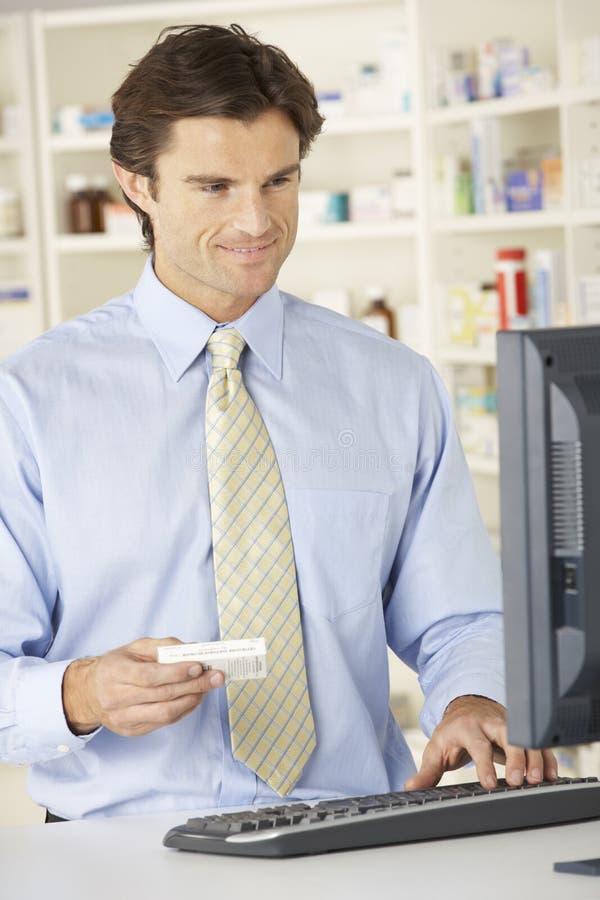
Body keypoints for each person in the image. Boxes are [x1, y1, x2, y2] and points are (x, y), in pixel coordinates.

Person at [0, 23, 557, 821]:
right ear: (137, 184)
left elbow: (461, 617)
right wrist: (79, 692)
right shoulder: (30, 401)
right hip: (123, 841)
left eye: (279, 180)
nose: (256, 220)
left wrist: (473, 698)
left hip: (350, 827)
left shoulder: (393, 384)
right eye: (214, 186)